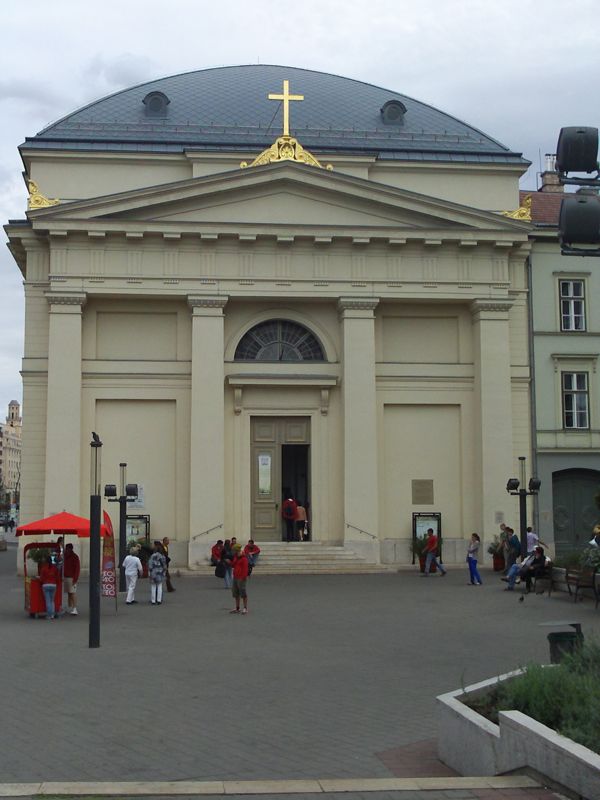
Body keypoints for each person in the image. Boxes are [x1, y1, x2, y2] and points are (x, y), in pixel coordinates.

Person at [230, 543, 249, 614]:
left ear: (236, 550)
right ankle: (237, 607)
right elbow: (233, 565)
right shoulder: (236, 557)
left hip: (241, 577)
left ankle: (245, 608)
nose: (232, 551)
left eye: (233, 550)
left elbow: (245, 569)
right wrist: (230, 562)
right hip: (235, 576)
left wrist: (243, 577)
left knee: (243, 593)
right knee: (235, 593)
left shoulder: (244, 558)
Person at [39, 555, 60, 620]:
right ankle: (52, 615)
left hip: (46, 585)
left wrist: (41, 581)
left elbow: (41, 579)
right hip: (53, 585)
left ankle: (49, 615)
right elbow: (57, 577)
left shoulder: (44, 568)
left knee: (48, 601)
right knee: (52, 601)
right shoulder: (54, 568)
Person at [63, 543, 80, 615]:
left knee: (72, 592)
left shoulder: (75, 557)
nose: (66, 550)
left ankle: (75, 608)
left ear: (70, 549)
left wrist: (75, 579)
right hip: (65, 576)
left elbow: (77, 569)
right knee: (69, 593)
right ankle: (70, 607)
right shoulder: (64, 556)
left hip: (71, 577)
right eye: (66, 549)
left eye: (67, 549)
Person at [148, 541, 167, 605]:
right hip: (160, 572)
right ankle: (159, 600)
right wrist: (164, 571)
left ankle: (153, 600)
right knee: (159, 586)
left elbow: (150, 565)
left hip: (153, 572)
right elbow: (164, 565)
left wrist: (150, 571)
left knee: (153, 586)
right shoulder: (162, 556)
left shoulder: (152, 556)